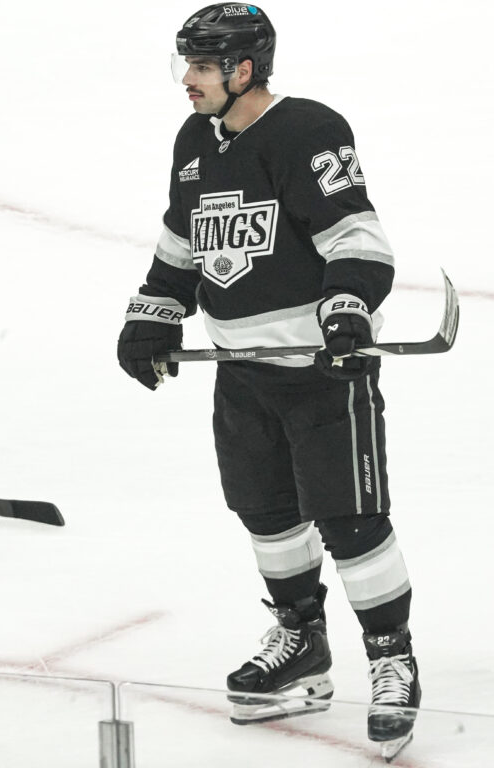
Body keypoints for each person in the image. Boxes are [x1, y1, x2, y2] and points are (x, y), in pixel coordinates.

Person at [117, 3, 419, 758]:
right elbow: (182, 242)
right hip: (242, 375)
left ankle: (391, 658)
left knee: (349, 519)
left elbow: (359, 237)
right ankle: (302, 642)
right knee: (267, 513)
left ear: (243, 70)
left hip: (320, 372)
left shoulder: (308, 131)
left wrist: (347, 306)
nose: (186, 80)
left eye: (200, 66)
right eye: (185, 64)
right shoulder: (196, 141)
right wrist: (153, 316)